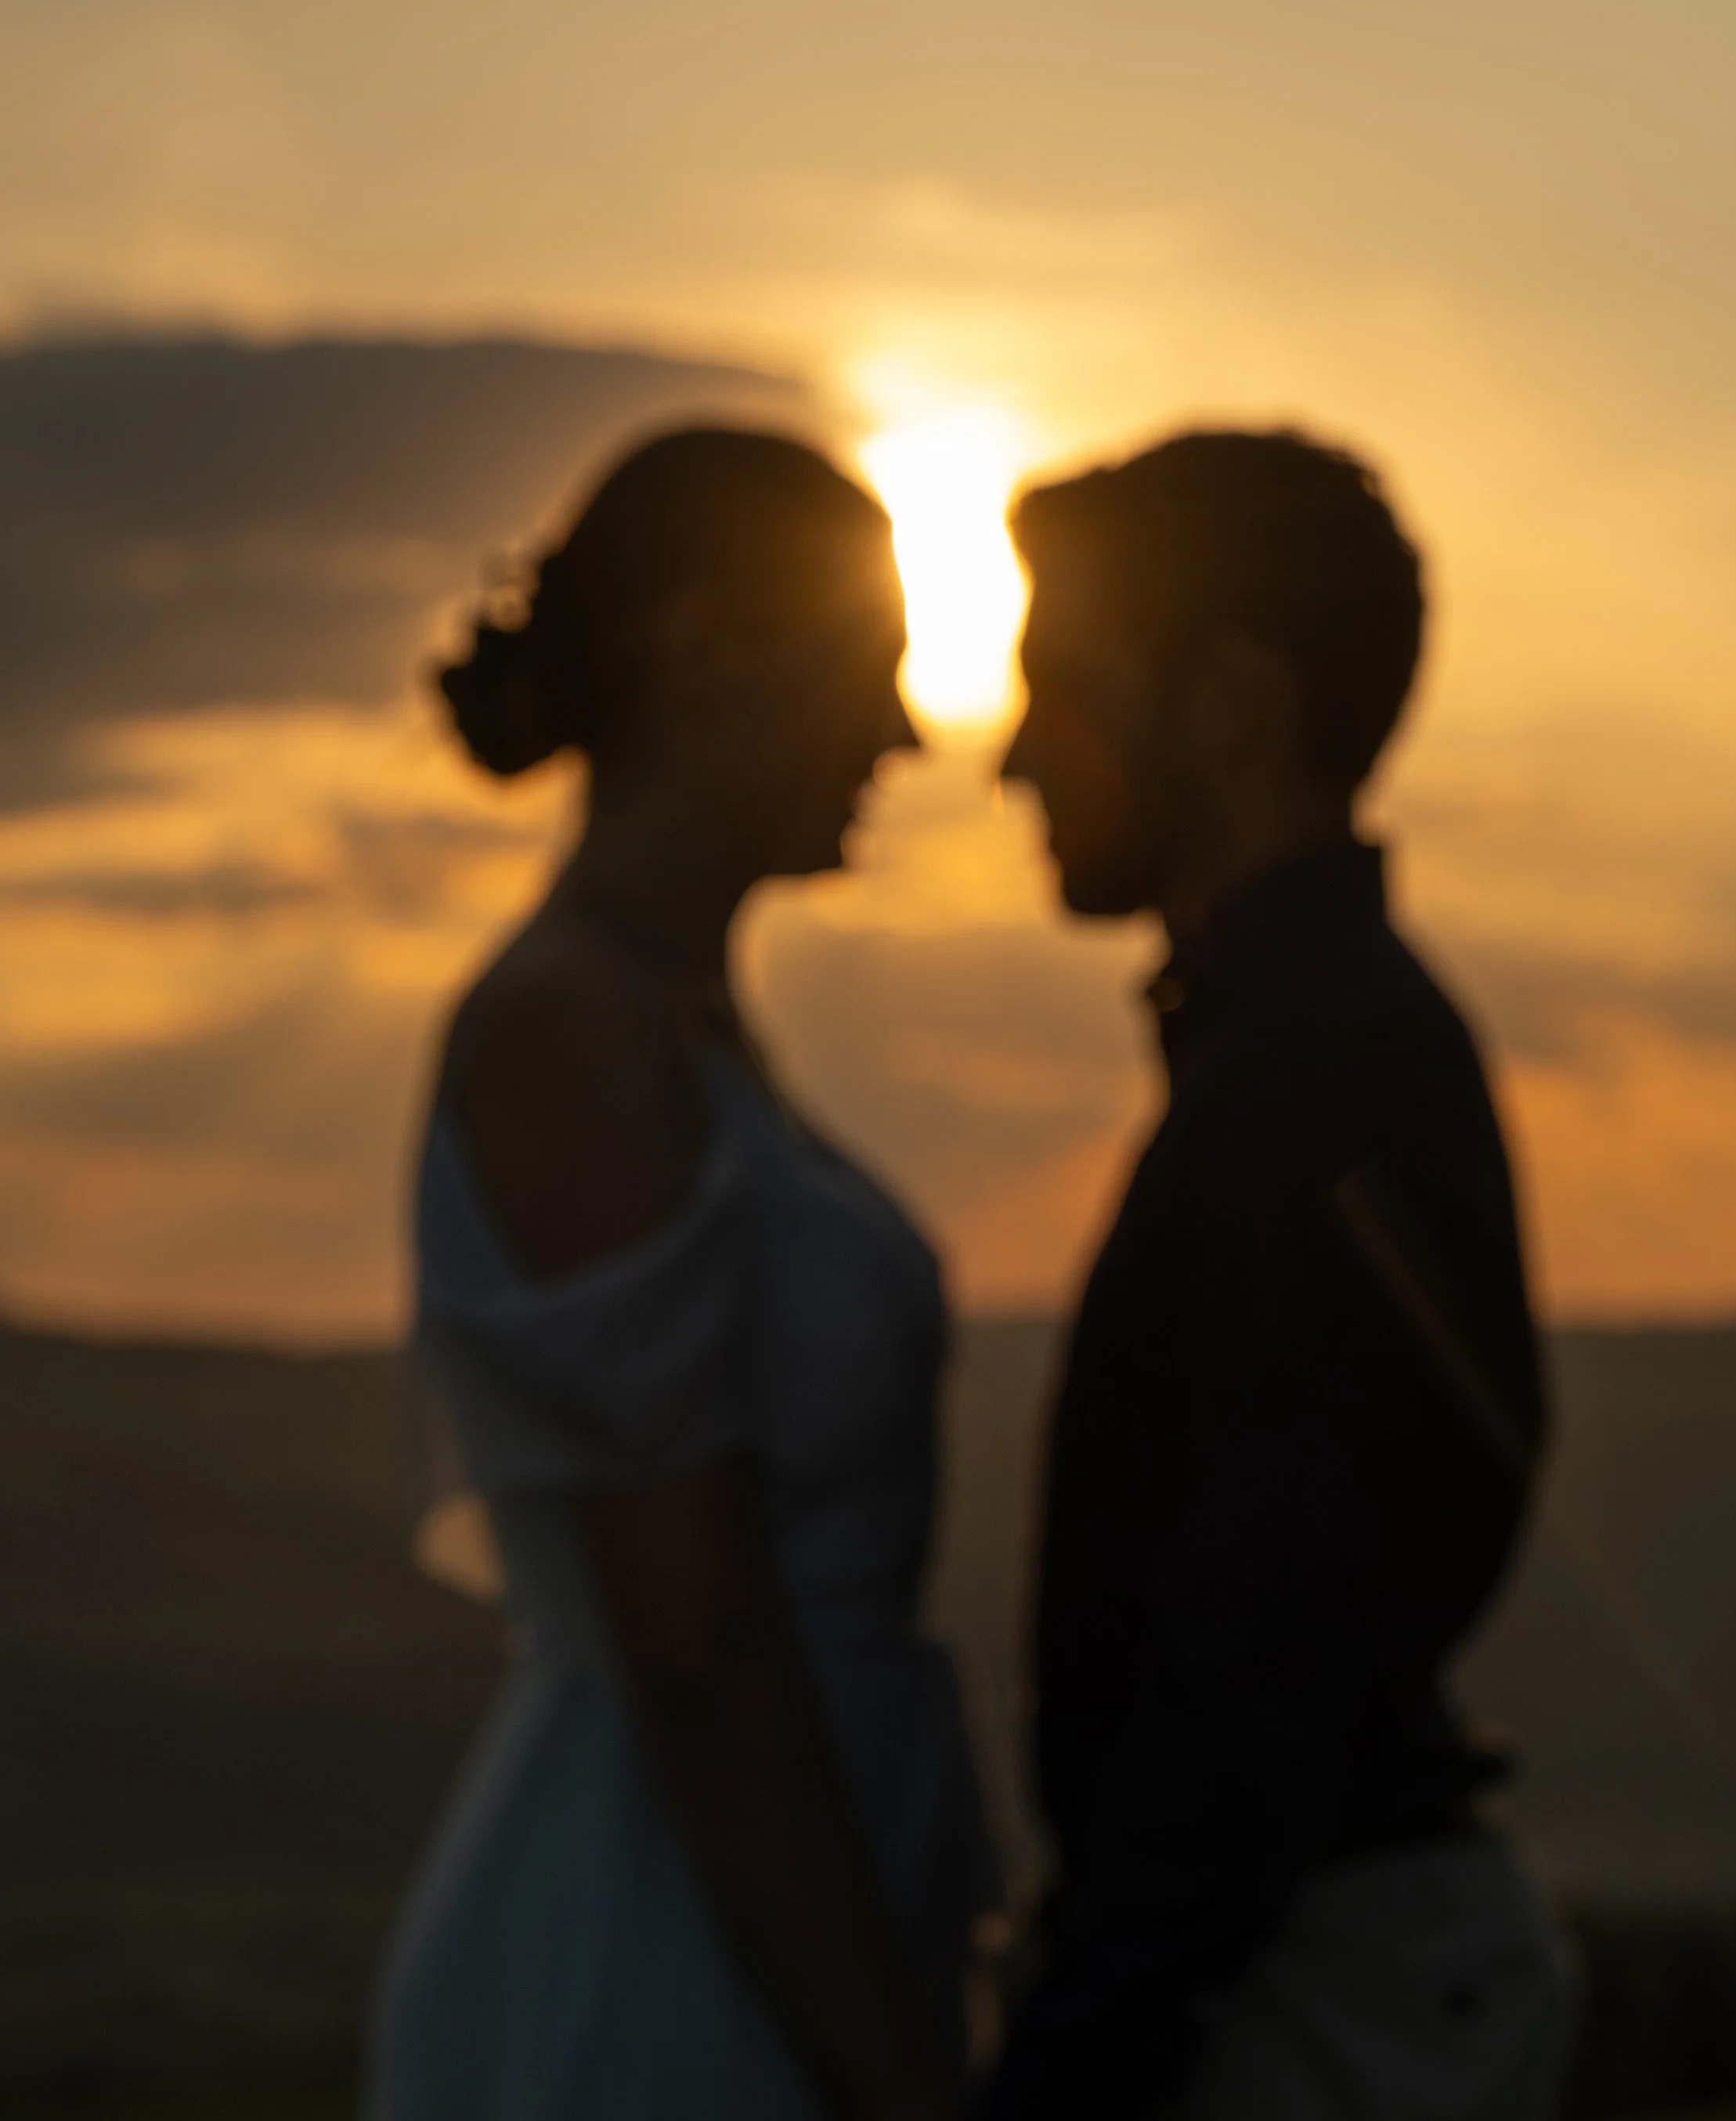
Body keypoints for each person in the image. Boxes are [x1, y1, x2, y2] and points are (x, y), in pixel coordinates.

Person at [368, 426, 994, 2121]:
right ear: (701, 656)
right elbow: (697, 1650)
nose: (905, 736)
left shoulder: (685, 1026)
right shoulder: (571, 1033)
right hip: (669, 1945)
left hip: (787, 1888)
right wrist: (892, 2085)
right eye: (869, 673)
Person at [980, 430, 1572, 2121]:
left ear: (1229, 700)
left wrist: (1074, 2058)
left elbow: (1260, 1654)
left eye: (1058, 688)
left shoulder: (1324, 1078)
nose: (1015, 758)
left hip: (1308, 2004)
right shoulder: (1307, 1057)